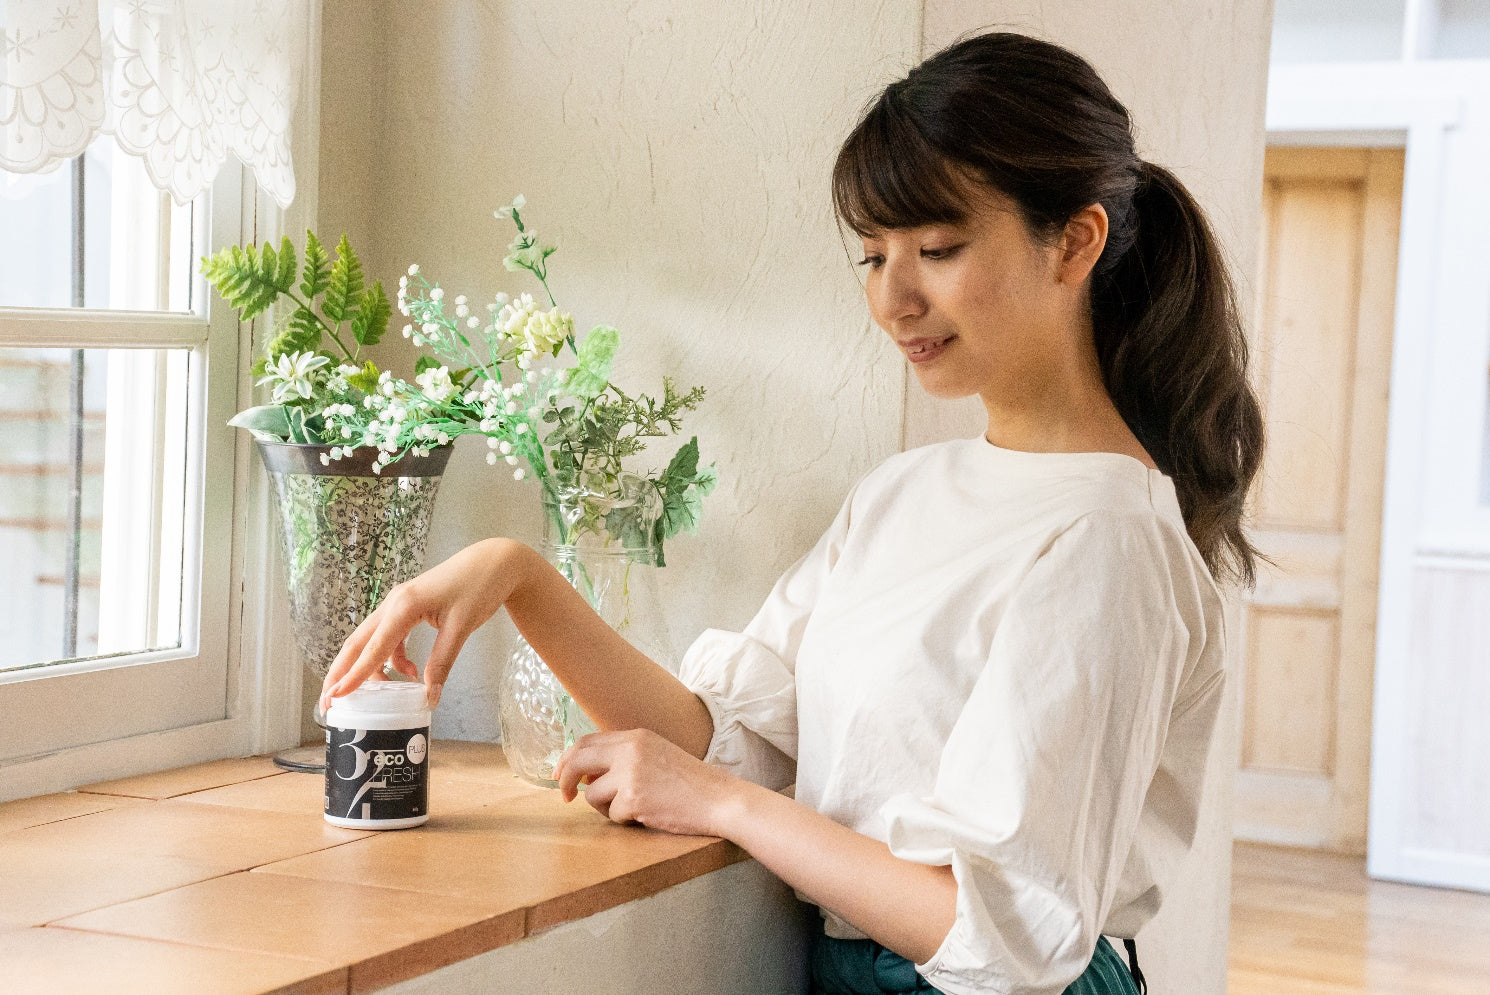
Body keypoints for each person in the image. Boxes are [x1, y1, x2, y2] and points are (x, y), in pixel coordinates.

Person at [319, 30, 1264, 995]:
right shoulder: (899, 495)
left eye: (937, 248)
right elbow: (721, 739)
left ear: (1075, 241)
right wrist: (518, 575)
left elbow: (1001, 935)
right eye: (872, 254)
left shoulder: (1107, 538)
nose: (893, 298)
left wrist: (726, 805)